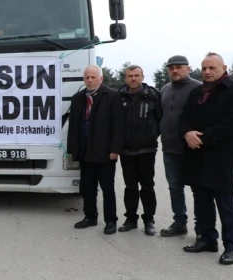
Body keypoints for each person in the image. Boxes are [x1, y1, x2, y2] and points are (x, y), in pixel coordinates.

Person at [180, 53, 233, 265]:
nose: (207, 72)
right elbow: (183, 118)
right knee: (202, 202)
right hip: (196, 156)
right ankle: (207, 239)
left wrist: (201, 138)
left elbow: (231, 124)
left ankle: (231, 246)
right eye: (204, 68)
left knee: (226, 203)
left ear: (223, 68)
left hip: (221, 157)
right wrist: (187, 133)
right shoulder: (196, 92)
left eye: (212, 68)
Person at [66, 65, 124, 235]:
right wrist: (72, 149)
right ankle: (90, 217)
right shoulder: (78, 98)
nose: (90, 80)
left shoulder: (112, 96)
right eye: (87, 78)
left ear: (101, 78)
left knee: (107, 188)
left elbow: (118, 126)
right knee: (87, 187)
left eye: (93, 77)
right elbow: (73, 127)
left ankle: (111, 221)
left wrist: (115, 149)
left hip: (105, 152)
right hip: (84, 151)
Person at [158, 55, 203, 237]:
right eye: (171, 68)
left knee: (198, 189)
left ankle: (202, 227)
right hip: (169, 148)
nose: (175, 70)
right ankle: (179, 223)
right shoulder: (165, 89)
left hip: (192, 149)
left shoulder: (199, 88)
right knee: (174, 188)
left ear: (188, 68)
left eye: (179, 67)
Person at [117, 65, 162, 235]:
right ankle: (130, 219)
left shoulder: (152, 95)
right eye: (130, 76)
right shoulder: (118, 96)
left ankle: (149, 220)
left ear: (142, 76)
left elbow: (160, 119)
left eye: (137, 75)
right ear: (125, 78)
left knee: (147, 186)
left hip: (146, 149)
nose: (133, 79)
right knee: (130, 186)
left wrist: (152, 136)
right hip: (126, 150)